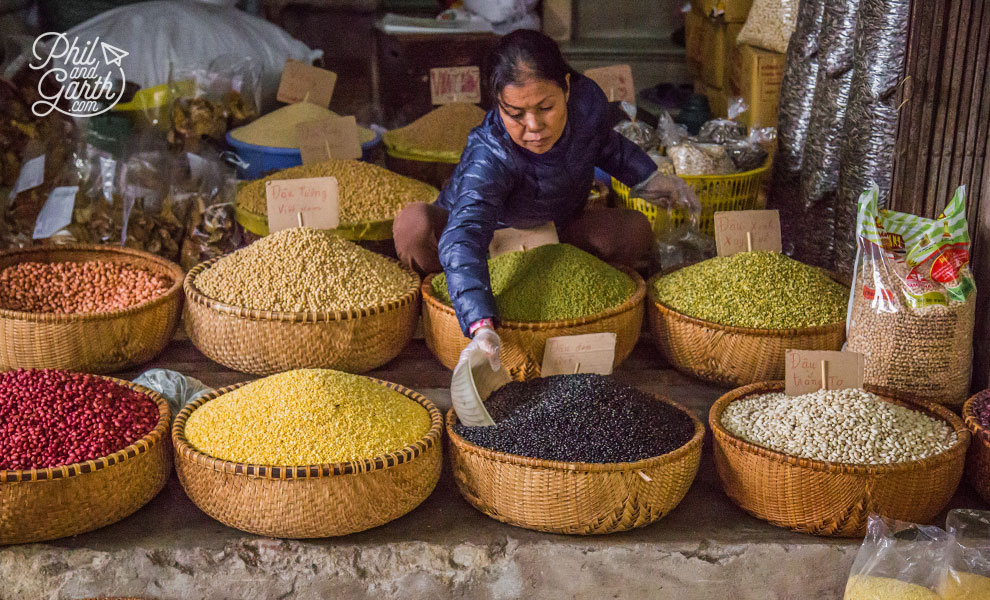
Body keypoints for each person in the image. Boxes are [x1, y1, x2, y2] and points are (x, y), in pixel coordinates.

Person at [393, 29, 695, 371]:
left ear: (567, 87)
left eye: (546, 107)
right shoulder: (489, 152)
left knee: (633, 229)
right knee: (414, 225)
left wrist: (651, 178)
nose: (533, 125)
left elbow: (606, 146)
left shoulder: (587, 106)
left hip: (552, 234)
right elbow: (464, 235)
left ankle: (572, 299)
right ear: (496, 102)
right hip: (486, 241)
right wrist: (480, 323)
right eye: (516, 114)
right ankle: (450, 305)